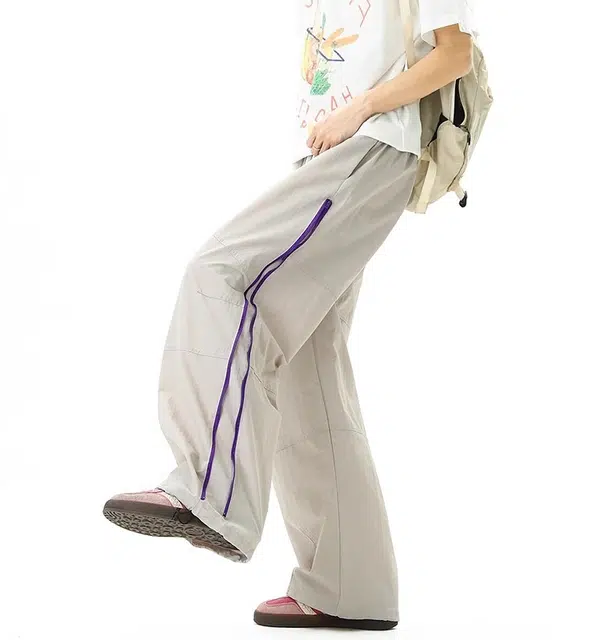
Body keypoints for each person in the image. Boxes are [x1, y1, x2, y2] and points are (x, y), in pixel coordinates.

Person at [103, 0, 477, 630]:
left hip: (374, 143)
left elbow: (454, 54)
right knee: (308, 366)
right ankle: (348, 590)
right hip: (339, 152)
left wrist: (361, 110)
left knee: (222, 274)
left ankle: (209, 490)